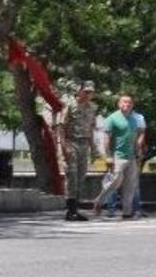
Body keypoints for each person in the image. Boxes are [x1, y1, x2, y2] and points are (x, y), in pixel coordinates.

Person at [93, 93, 141, 219]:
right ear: (119, 104)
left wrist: (137, 151)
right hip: (117, 156)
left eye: (129, 102)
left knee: (130, 185)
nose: (127, 104)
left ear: (132, 105)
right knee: (115, 181)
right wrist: (108, 156)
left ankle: (127, 212)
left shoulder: (133, 120)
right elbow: (107, 138)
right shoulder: (112, 118)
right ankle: (99, 201)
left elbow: (134, 137)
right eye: (124, 102)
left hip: (130, 156)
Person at [57, 80, 98, 222]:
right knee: (72, 175)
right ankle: (70, 210)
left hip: (84, 144)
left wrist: (94, 148)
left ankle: (76, 209)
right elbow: (61, 127)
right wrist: (64, 146)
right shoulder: (70, 105)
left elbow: (91, 129)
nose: (88, 94)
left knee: (81, 177)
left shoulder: (92, 108)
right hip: (71, 142)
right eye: (86, 91)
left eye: (91, 92)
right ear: (79, 91)